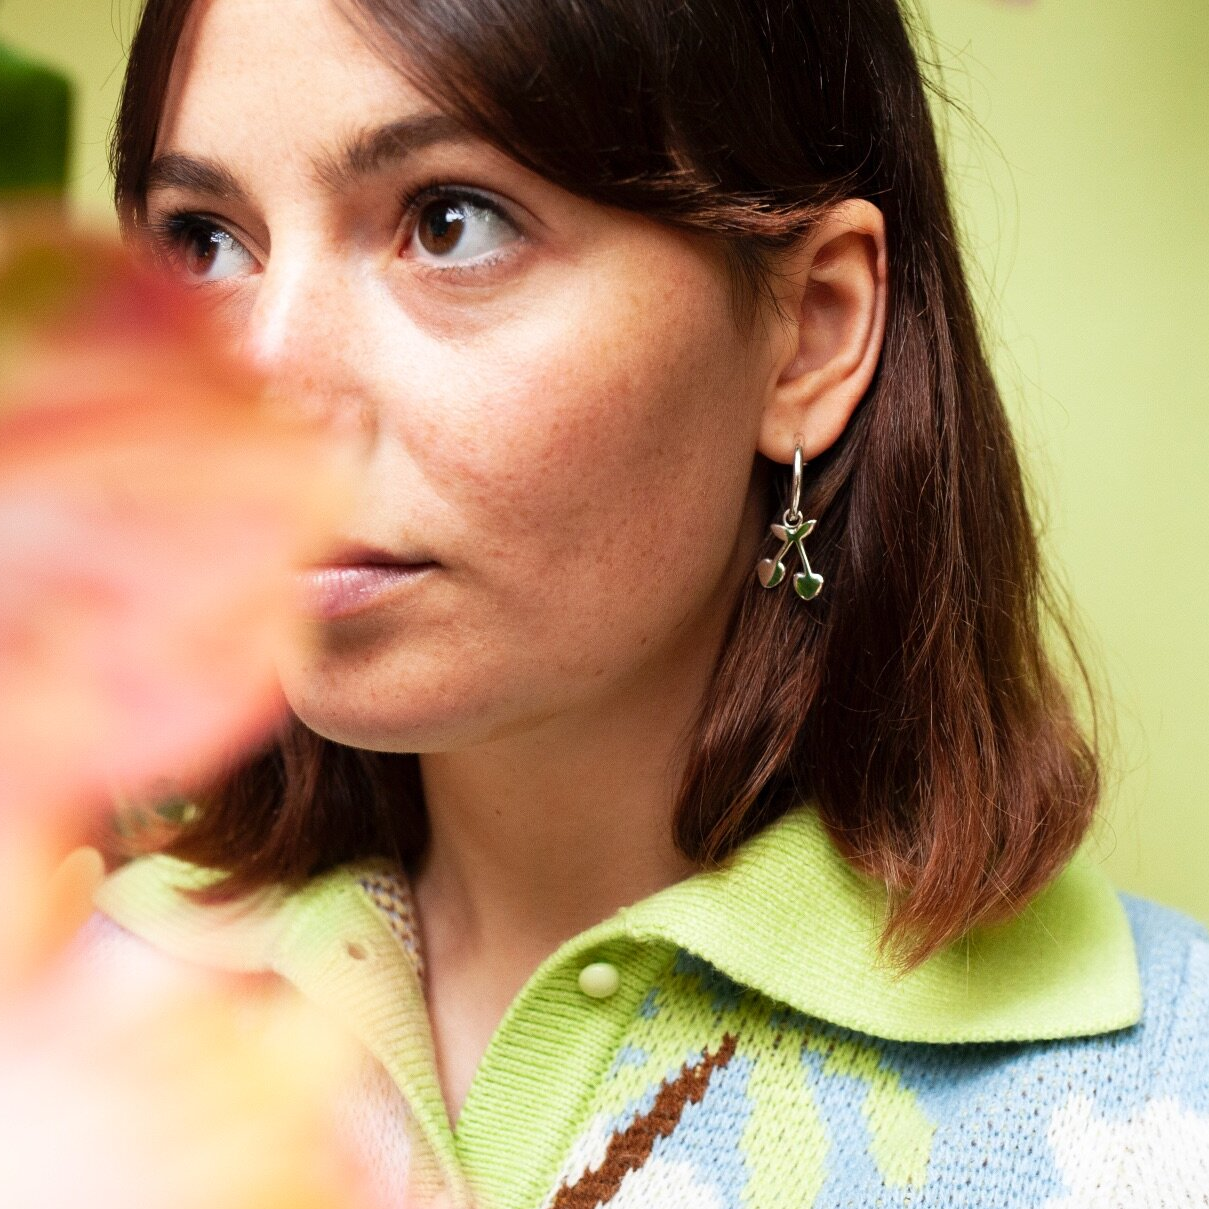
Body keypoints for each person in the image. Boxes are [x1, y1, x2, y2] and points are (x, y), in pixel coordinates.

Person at [77, 0, 1209, 1204]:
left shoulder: (1163, 1111)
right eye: (203, 245)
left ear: (811, 334)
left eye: (450, 223)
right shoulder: (67, 1020)